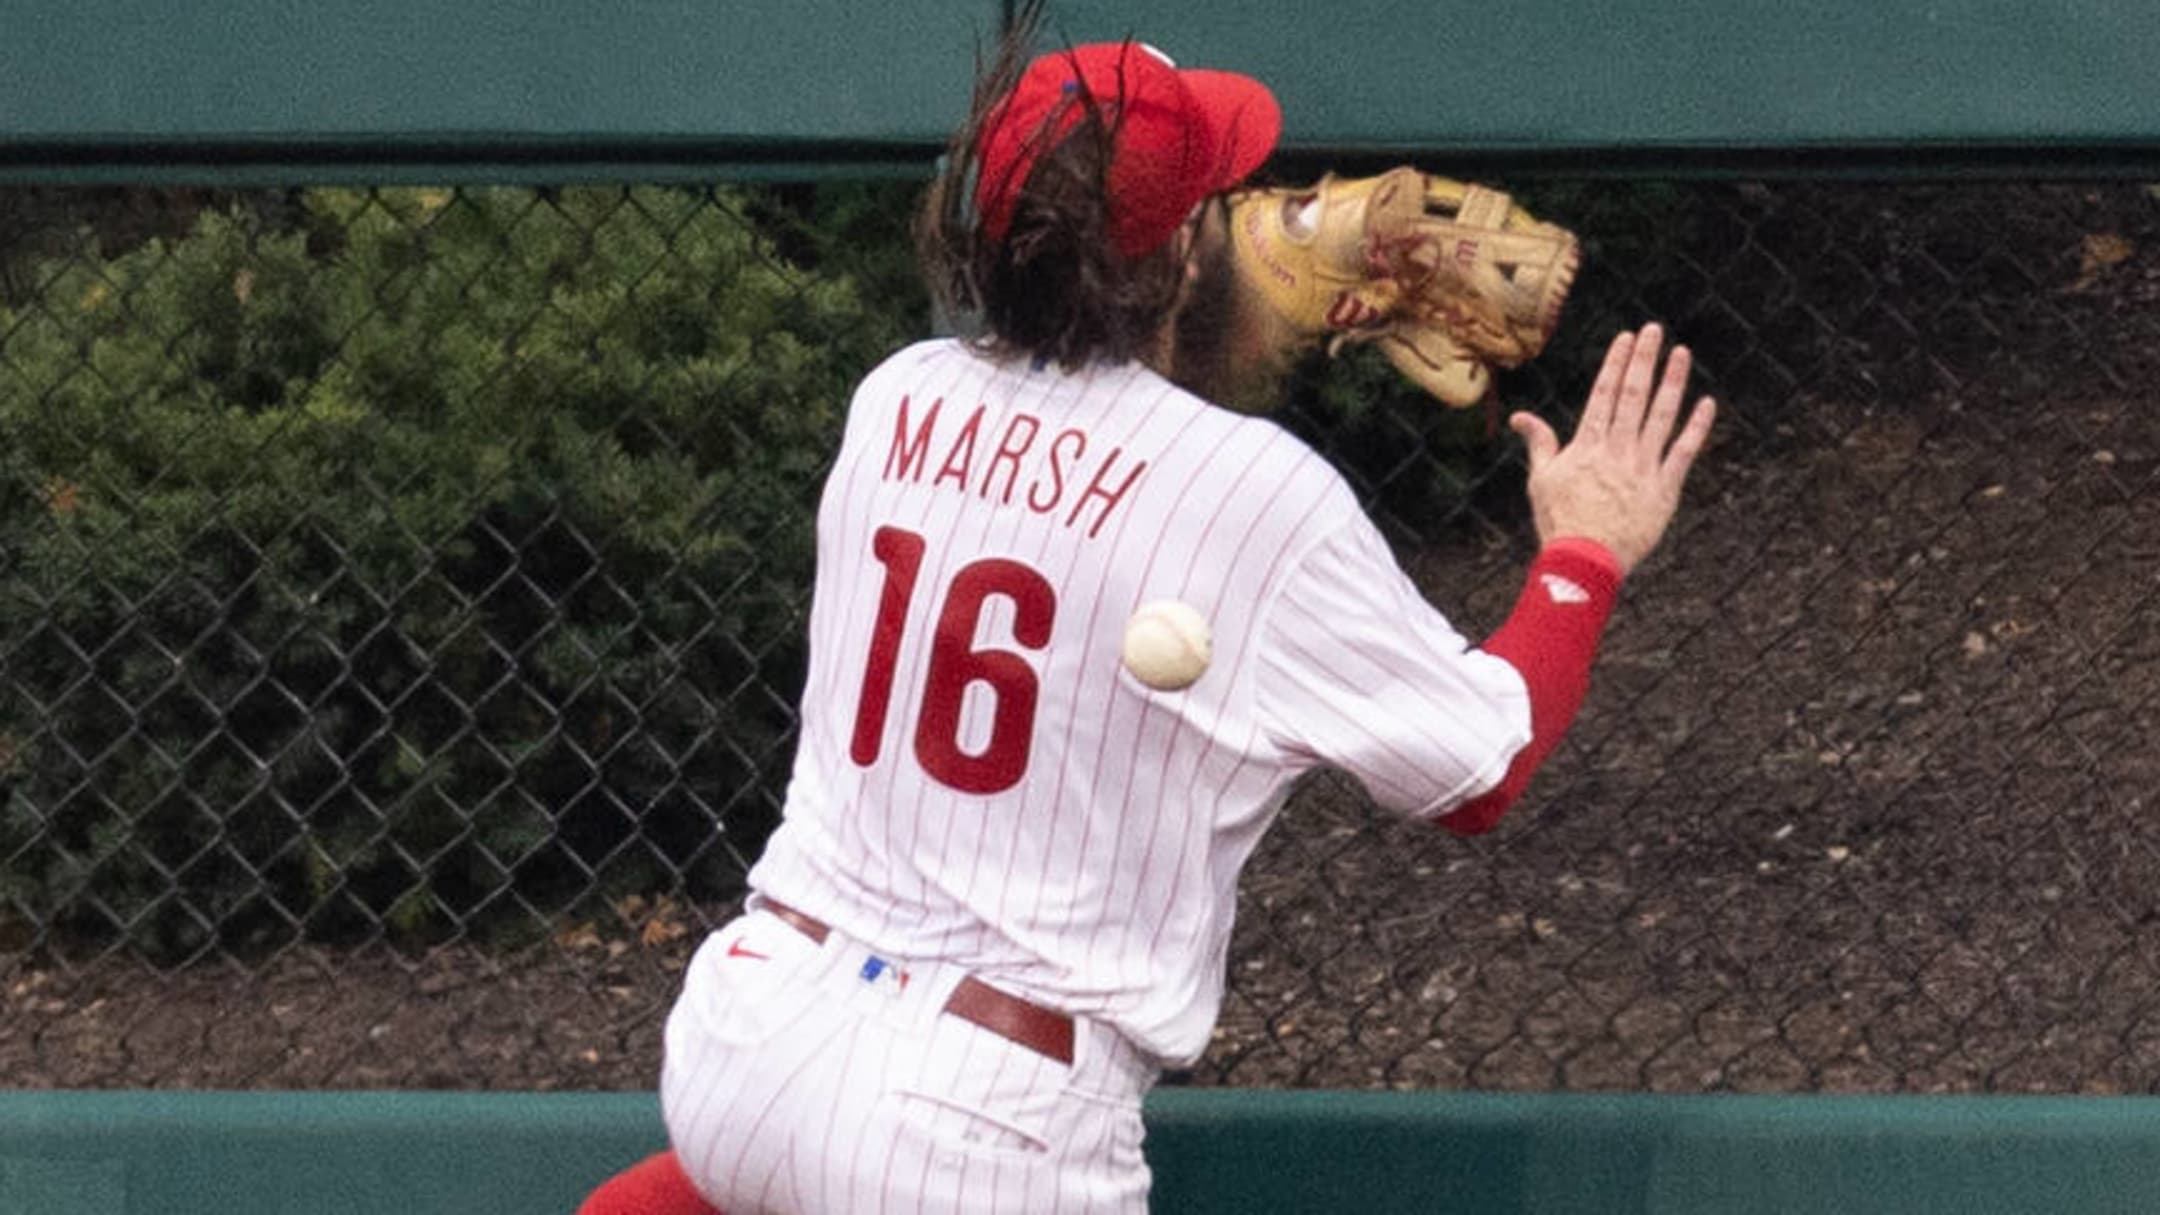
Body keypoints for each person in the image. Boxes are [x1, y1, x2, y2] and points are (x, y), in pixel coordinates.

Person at [579, 19, 1715, 1215]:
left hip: (749, 1037)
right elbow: (1483, 768)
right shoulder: (1260, 498)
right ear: (1177, 255)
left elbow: (1094, 445)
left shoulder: (892, 399)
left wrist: (1209, 292)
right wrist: (1585, 548)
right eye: (1215, 206)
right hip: (985, 1130)